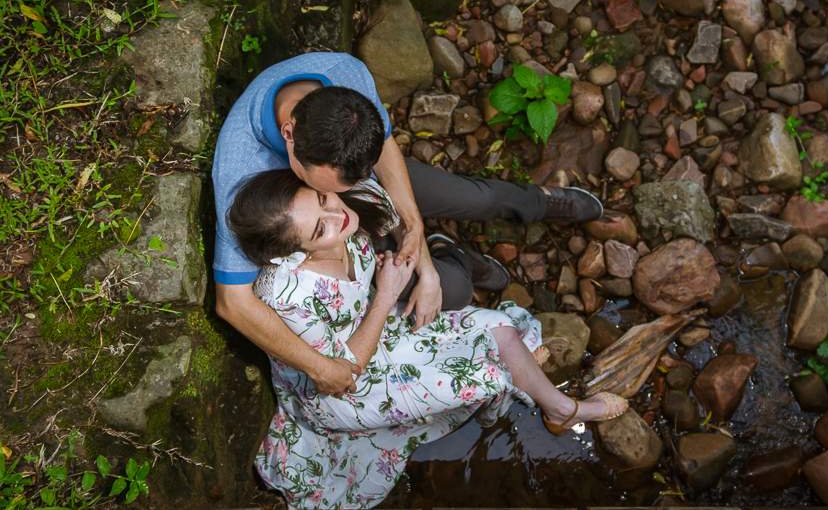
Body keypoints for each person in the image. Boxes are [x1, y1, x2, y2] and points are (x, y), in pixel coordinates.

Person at [227, 170, 625, 509]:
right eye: (321, 227)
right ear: (292, 253)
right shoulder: (289, 295)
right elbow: (342, 377)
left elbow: (401, 217)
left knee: (491, 326)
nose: (338, 214)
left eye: (323, 199)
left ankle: (556, 407)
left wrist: (413, 268)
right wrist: (385, 293)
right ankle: (531, 388)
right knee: (469, 376)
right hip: (344, 388)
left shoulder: (350, 199)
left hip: (379, 327)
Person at [212, 53, 604, 396]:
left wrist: (412, 226)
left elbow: (381, 154)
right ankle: (454, 255)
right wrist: (319, 367)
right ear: (289, 138)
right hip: (341, 236)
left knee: (476, 198)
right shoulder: (240, 173)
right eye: (329, 186)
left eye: (351, 181)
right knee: (455, 290)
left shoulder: (344, 75)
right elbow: (233, 302)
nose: (351, 190)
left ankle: (539, 201)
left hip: (363, 196)